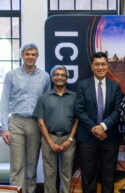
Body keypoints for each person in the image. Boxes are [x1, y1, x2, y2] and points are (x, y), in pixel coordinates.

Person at [0, 43, 51, 193]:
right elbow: (4, 102)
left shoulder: (45, 77)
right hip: (16, 122)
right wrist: (4, 128)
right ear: (22, 56)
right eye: (27, 54)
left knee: (31, 165)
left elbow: (46, 103)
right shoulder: (11, 75)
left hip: (35, 124)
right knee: (17, 166)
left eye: (33, 54)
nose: (30, 57)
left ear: (37, 56)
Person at [74, 52, 122, 193]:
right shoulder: (82, 85)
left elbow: (118, 111)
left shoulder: (115, 87)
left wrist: (103, 126)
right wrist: (95, 129)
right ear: (92, 66)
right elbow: (79, 110)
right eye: (97, 64)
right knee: (88, 176)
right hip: (87, 138)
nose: (100, 67)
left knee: (108, 175)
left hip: (109, 137)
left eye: (103, 64)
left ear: (107, 66)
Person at [33, 65, 78, 193]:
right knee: (49, 174)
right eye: (57, 75)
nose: (60, 77)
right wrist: (50, 142)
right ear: (52, 78)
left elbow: (77, 119)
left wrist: (70, 139)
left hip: (68, 138)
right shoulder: (44, 98)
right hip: (49, 138)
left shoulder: (74, 97)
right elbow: (40, 122)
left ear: (67, 78)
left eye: (63, 75)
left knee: (67, 173)